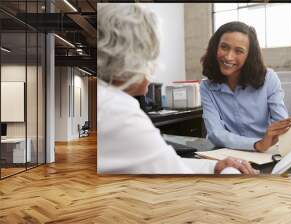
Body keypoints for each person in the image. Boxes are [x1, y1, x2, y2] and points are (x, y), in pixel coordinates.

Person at [97, 4, 258, 174]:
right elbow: (177, 178)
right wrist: (232, 173)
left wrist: (215, 166)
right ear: (135, 57)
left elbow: (166, 162)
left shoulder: (104, 98)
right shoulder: (119, 112)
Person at [201, 21, 291, 153]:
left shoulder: (269, 79)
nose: (229, 56)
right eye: (224, 47)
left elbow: (281, 126)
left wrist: (265, 142)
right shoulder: (206, 86)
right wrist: (257, 144)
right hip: (228, 153)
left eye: (239, 51)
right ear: (215, 48)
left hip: (266, 153)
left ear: (249, 56)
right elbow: (215, 133)